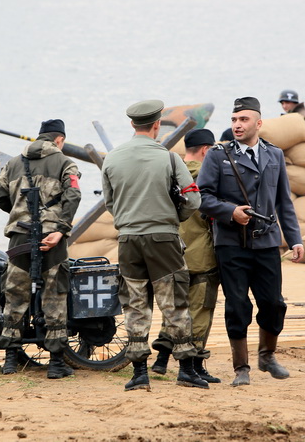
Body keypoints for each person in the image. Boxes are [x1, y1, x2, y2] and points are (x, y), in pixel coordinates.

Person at [197, 97, 304, 387]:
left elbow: (284, 201)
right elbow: (202, 197)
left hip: (267, 243)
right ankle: (241, 367)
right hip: (231, 243)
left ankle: (267, 355)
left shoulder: (274, 155)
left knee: (273, 303)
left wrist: (294, 239)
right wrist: (229, 212)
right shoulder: (218, 156)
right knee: (237, 305)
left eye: (243, 120)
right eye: (234, 120)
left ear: (258, 123)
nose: (237, 125)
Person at [101, 99, 207, 391]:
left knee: (135, 304)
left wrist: (129, 221)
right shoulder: (169, 158)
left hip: (128, 240)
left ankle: (139, 373)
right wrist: (174, 218)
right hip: (164, 239)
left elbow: (110, 203)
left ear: (132, 125)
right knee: (174, 303)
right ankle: (186, 370)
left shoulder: (112, 158)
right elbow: (194, 199)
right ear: (157, 124)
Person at [0, 119, 81, 379]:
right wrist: (60, 227)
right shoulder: (65, 162)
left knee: (15, 296)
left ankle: (10, 360)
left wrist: (19, 211)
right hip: (52, 238)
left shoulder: (14, 162)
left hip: (20, 237)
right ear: (60, 140)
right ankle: (55, 363)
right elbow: (74, 195)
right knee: (55, 296)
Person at [151, 128, 221, 384]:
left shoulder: (168, 174)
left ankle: (160, 359)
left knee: (175, 309)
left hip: (171, 253)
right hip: (201, 256)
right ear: (206, 150)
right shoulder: (209, 177)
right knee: (200, 310)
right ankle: (195, 365)